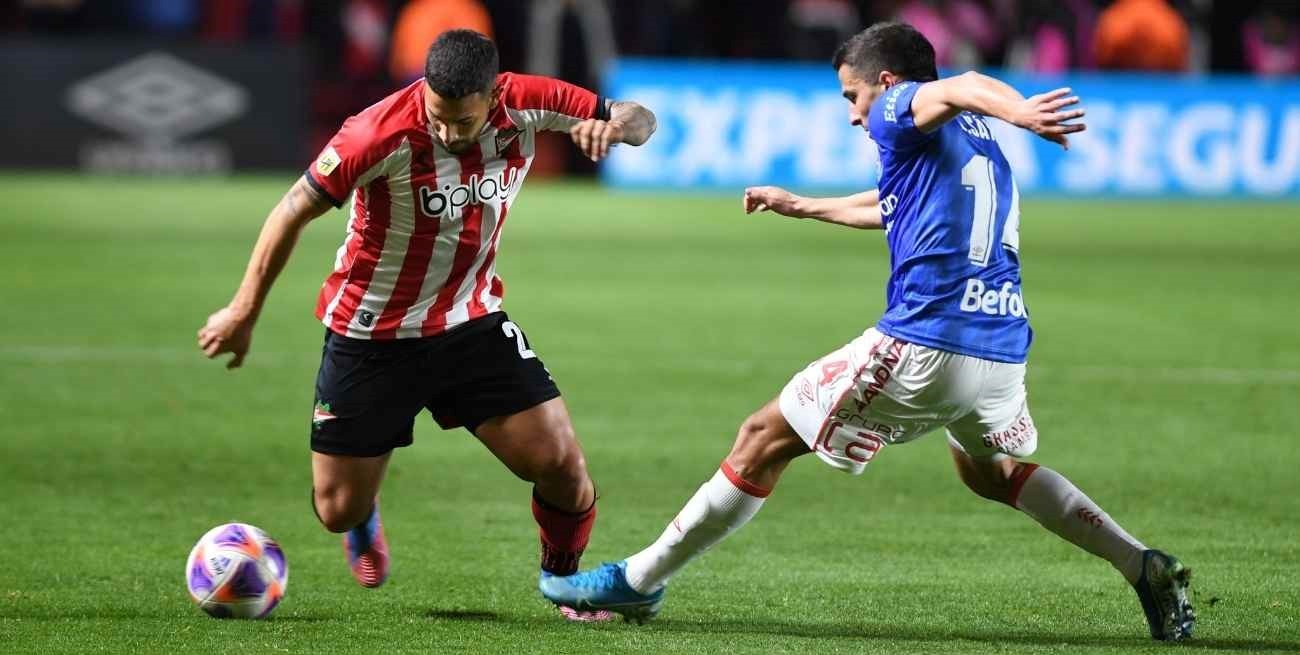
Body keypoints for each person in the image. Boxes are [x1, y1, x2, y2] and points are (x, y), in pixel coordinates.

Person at [539, 21, 1196, 641]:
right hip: (1000, 345)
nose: (853, 113)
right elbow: (891, 205)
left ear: (887, 85)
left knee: (761, 436)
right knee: (992, 473)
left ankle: (639, 581)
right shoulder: (971, 141)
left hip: (929, 340)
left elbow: (965, 82)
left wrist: (1020, 109)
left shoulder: (900, 106)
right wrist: (802, 206)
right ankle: (1142, 564)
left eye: (852, 95)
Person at [197, 29, 656, 604]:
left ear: (494, 96)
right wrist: (243, 310)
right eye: (437, 116)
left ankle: (564, 581)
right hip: (370, 333)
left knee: (562, 466)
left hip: (470, 322)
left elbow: (641, 118)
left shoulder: (532, 100)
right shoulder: (376, 132)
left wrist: (615, 126)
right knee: (337, 511)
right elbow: (291, 211)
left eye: (462, 122)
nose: (446, 132)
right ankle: (364, 517)